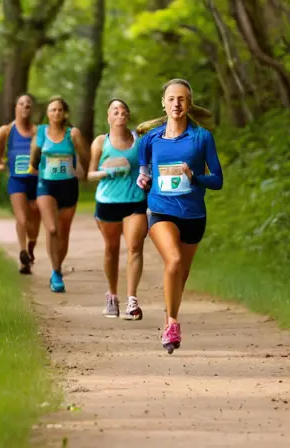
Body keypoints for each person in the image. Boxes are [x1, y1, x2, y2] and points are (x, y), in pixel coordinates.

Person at [136, 79, 223, 354]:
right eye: (172, 99)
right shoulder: (150, 139)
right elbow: (144, 169)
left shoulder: (201, 138)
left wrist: (194, 176)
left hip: (194, 215)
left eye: (182, 99)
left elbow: (218, 180)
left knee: (180, 276)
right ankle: (173, 322)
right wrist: (143, 178)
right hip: (161, 210)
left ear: (189, 103)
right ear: (163, 102)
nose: (176, 104)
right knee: (172, 261)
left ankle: (168, 323)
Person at [87, 99, 147, 320]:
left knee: (134, 247)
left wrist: (146, 178)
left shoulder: (139, 141)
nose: (120, 114)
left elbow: (146, 168)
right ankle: (112, 295)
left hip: (135, 200)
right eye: (115, 111)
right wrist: (109, 171)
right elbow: (89, 174)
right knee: (112, 250)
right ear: (109, 117)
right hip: (108, 202)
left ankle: (132, 300)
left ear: (128, 116)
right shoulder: (100, 142)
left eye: (123, 111)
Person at [29, 96, 90, 293]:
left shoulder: (73, 134)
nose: (56, 113)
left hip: (69, 186)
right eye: (52, 110)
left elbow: (85, 155)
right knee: (52, 229)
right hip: (46, 185)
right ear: (47, 113)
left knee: (63, 232)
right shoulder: (40, 132)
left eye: (59, 110)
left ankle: (58, 267)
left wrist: (84, 170)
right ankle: (56, 272)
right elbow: (34, 155)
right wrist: (32, 169)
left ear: (65, 113)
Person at [0, 93, 41, 274]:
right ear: (16, 107)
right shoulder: (6, 130)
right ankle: (22, 255)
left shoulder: (39, 132)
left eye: (28, 104)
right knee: (22, 219)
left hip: (36, 180)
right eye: (21, 104)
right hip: (17, 180)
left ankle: (30, 247)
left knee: (35, 222)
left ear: (32, 109)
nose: (25, 107)